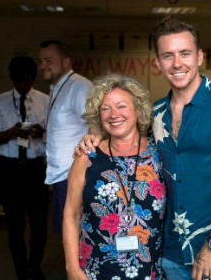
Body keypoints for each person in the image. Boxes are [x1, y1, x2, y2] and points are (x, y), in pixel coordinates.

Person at [76, 16, 211, 280]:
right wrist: (93, 137)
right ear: (157, 63)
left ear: (199, 57)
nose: (177, 63)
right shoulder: (155, 115)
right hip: (171, 253)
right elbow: (124, 138)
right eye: (168, 55)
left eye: (185, 53)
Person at [63, 73, 166, 280]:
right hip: (95, 271)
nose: (113, 114)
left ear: (138, 109)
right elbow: (71, 215)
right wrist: (72, 269)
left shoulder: (159, 154)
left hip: (151, 271)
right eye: (105, 108)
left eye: (121, 106)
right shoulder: (86, 156)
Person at [0, 56, 50, 280]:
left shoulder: (46, 100)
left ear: (33, 78)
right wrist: (13, 131)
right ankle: (22, 272)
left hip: (36, 168)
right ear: (12, 79)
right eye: (20, 81)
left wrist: (40, 133)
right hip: (9, 169)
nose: (24, 85)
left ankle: (34, 267)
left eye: (28, 81)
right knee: (15, 226)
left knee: (39, 224)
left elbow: (54, 135)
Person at [38, 40, 92, 237]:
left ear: (66, 62)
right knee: (65, 234)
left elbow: (96, 128)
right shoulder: (57, 88)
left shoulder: (79, 86)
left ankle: (78, 269)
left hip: (74, 176)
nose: (43, 65)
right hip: (60, 175)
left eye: (49, 60)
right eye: (41, 60)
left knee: (76, 237)